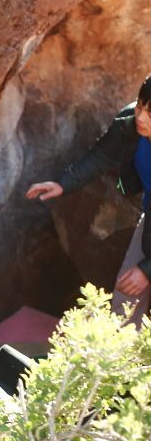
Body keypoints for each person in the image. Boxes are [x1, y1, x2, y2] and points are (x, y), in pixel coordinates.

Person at [26, 75, 151, 327]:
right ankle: (118, 363)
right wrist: (62, 183)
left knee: (138, 278)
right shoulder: (130, 124)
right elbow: (101, 156)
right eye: (140, 106)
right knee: (126, 299)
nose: (141, 117)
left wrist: (147, 270)